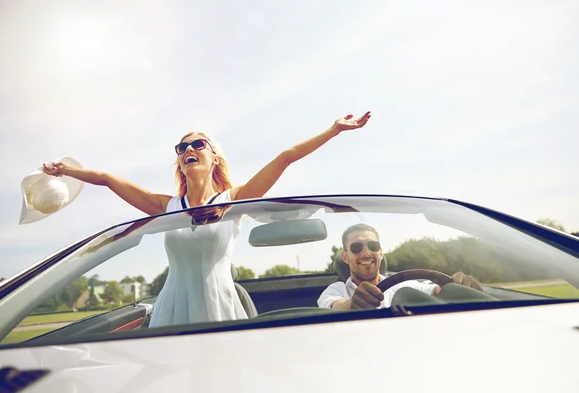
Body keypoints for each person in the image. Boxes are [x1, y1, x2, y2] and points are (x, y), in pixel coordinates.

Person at [43, 111, 372, 326]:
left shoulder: (233, 201)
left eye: (198, 143)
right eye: (182, 146)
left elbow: (285, 158)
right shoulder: (168, 206)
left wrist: (333, 130)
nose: (188, 148)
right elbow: (108, 178)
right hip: (171, 308)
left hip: (220, 306)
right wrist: (67, 171)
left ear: (214, 158)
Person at [318, 223, 491, 310]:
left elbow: (435, 291)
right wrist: (352, 304)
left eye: (373, 246)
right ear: (345, 257)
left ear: (381, 252)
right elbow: (335, 305)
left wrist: (456, 287)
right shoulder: (336, 290)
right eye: (357, 247)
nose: (366, 253)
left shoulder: (403, 284)